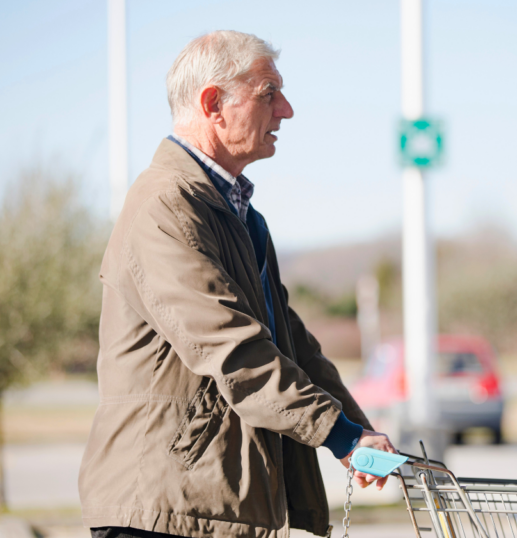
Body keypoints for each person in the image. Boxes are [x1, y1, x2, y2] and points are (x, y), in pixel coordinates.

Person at [78, 30, 396, 538]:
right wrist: (339, 435)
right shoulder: (165, 207)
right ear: (213, 105)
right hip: (161, 512)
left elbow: (292, 346)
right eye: (269, 93)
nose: (286, 110)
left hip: (208, 507)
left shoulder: (242, 217)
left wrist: (358, 431)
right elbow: (232, 350)